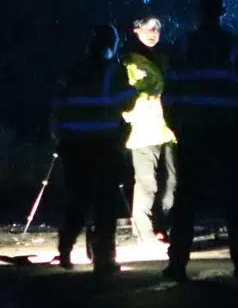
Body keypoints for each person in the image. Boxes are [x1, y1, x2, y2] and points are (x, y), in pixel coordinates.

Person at [162, 0, 238, 282]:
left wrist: (177, 125)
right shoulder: (232, 45)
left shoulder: (185, 45)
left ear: (200, 12)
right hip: (226, 130)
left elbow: (170, 90)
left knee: (186, 197)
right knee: (235, 195)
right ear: (220, 12)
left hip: (193, 130)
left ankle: (177, 263)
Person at [52, 24, 137, 278]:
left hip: (73, 146)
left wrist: (60, 135)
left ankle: (65, 248)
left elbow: (59, 105)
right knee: (104, 205)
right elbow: (128, 102)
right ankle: (104, 260)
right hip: (104, 145)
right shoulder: (114, 70)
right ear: (112, 45)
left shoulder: (74, 70)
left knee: (77, 200)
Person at [122, 15, 178, 246]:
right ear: (136, 30)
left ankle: (162, 227)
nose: (153, 33)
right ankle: (145, 233)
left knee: (172, 181)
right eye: (148, 28)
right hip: (144, 130)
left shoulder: (164, 57)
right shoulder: (128, 59)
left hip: (167, 129)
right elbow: (127, 94)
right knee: (147, 183)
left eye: (156, 29)